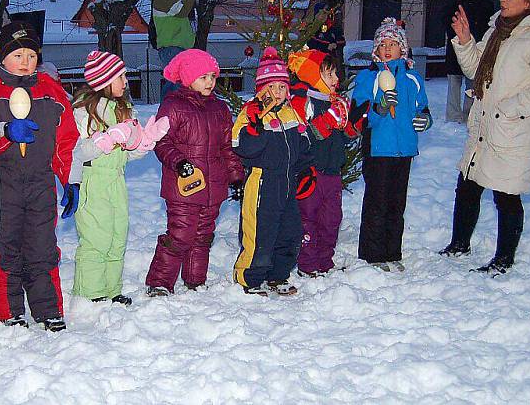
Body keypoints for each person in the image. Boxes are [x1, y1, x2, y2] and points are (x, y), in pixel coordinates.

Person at [439, 0, 530, 275]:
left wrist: (510, 108)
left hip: (512, 129)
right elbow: (475, 67)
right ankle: (459, 244)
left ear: (528, 2)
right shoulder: (498, 27)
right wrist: (466, 40)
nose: (502, 0)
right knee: (467, 185)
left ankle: (504, 259)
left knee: (506, 195)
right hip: (483, 126)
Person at [0, 22, 78, 331]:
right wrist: (4, 133)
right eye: (17, 55)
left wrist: (69, 179)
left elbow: (66, 140)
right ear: (2, 57)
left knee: (42, 247)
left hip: (40, 183)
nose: (25, 62)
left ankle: (48, 309)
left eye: (31, 55)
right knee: (5, 248)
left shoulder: (51, 91)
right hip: (0, 184)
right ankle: (10, 311)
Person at [69, 51, 169, 305]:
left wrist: (145, 143)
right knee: (96, 239)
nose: (125, 81)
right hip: (93, 182)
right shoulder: (84, 110)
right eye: (120, 76)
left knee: (116, 237)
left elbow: (125, 155)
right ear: (104, 79)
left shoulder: (122, 109)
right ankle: (90, 294)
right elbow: (79, 152)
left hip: (115, 181)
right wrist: (109, 137)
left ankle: (112, 289)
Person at [145, 49, 243, 296]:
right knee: (181, 235)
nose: (210, 82)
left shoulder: (220, 109)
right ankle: (160, 282)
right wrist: (179, 163)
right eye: (204, 77)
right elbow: (162, 142)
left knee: (203, 236)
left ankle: (195, 280)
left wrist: (236, 177)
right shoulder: (173, 106)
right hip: (184, 185)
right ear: (189, 78)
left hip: (214, 186)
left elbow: (226, 146)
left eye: (213, 76)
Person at [232, 47, 314, 296]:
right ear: (261, 89)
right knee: (260, 233)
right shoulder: (252, 113)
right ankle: (251, 278)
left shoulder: (292, 113)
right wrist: (256, 125)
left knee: (290, 232)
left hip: (287, 183)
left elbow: (304, 146)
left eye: (281, 87)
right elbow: (241, 146)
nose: (277, 93)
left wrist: (306, 171)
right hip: (262, 183)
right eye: (272, 88)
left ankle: (279, 275)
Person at [352, 18, 431, 272]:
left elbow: (423, 107)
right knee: (377, 201)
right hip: (378, 149)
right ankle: (372, 254)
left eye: (393, 44)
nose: (387, 48)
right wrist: (380, 108)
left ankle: (392, 250)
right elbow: (359, 116)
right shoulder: (369, 77)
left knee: (397, 202)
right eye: (382, 44)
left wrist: (424, 120)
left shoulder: (412, 78)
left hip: (404, 149)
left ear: (403, 49)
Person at [288, 51, 368, 277]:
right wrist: (325, 122)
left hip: (333, 172)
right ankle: (307, 263)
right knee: (308, 219)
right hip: (311, 173)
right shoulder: (303, 102)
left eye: (336, 74)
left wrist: (354, 126)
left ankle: (325, 260)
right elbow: (302, 138)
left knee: (331, 219)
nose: (336, 80)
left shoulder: (336, 103)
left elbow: (341, 136)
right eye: (329, 74)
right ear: (313, 75)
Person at [444, 0, 495, 123]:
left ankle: (468, 115)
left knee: (473, 82)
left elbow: (490, 21)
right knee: (454, 82)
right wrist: (458, 35)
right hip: (456, 46)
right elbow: (446, 18)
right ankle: (453, 116)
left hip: (477, 46)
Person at [153, 0, 196, 99]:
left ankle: (170, 113)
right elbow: (182, 11)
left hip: (177, 47)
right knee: (177, 84)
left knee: (178, 83)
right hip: (172, 48)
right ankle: (168, 113)